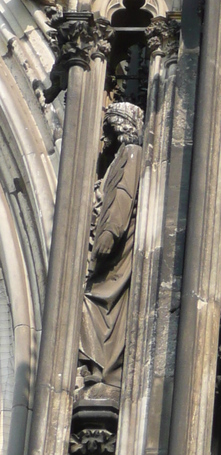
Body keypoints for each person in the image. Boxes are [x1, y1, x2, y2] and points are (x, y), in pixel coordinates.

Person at [78, 101, 144, 390]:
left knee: (89, 300)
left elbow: (123, 195)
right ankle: (97, 365)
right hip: (110, 241)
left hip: (118, 244)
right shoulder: (120, 157)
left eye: (112, 127)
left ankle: (102, 366)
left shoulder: (131, 153)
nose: (108, 135)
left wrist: (109, 233)